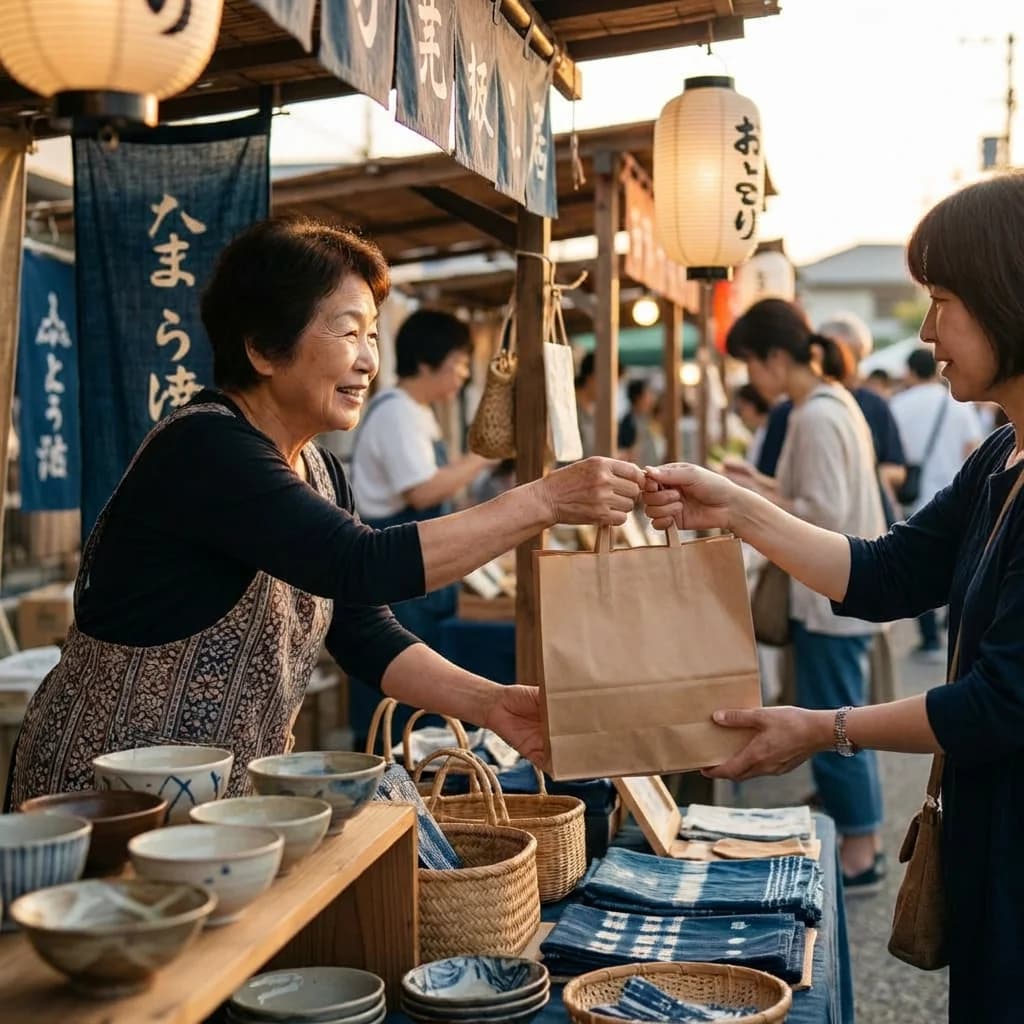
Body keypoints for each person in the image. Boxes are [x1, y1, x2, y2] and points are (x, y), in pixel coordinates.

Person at [8, 219, 645, 807]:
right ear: (261, 348)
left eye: (372, 334)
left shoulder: (318, 469)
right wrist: (547, 499)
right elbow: (362, 565)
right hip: (105, 797)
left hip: (219, 812)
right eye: (347, 331)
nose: (369, 359)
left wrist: (493, 704)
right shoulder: (204, 447)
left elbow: (365, 633)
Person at [642, 172, 1024, 1024]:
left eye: (944, 300)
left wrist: (823, 729)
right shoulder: (998, 458)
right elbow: (884, 573)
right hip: (985, 830)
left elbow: (998, 705)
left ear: (1009, 298)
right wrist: (735, 508)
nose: (927, 332)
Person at [717, 299, 888, 891]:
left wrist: (752, 502)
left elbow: (822, 513)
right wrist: (757, 486)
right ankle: (860, 835)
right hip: (836, 596)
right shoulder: (829, 403)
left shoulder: (814, 415)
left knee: (838, 721)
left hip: (831, 598)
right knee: (839, 714)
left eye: (750, 364)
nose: (751, 380)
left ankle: (862, 849)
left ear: (774, 358)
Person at [348, 308, 493, 744]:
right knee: (394, 707)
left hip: (419, 577)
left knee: (423, 702)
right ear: (427, 362)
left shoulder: (418, 412)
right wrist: (483, 457)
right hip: (396, 576)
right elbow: (422, 493)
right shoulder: (397, 412)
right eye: (459, 363)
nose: (464, 375)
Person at [890, 348, 983, 660]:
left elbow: (893, 454)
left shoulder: (899, 404)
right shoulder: (957, 405)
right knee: (956, 564)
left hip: (916, 495)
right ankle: (950, 630)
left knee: (916, 561)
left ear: (910, 372)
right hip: (954, 493)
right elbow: (972, 449)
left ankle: (929, 637)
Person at [618, 378, 663, 467]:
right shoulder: (629, 422)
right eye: (648, 395)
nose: (651, 399)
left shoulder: (648, 419)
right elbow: (626, 453)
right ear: (638, 398)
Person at [733, 383, 772, 467]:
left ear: (751, 406)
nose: (741, 415)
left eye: (741, 409)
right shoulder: (760, 431)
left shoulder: (769, 432)